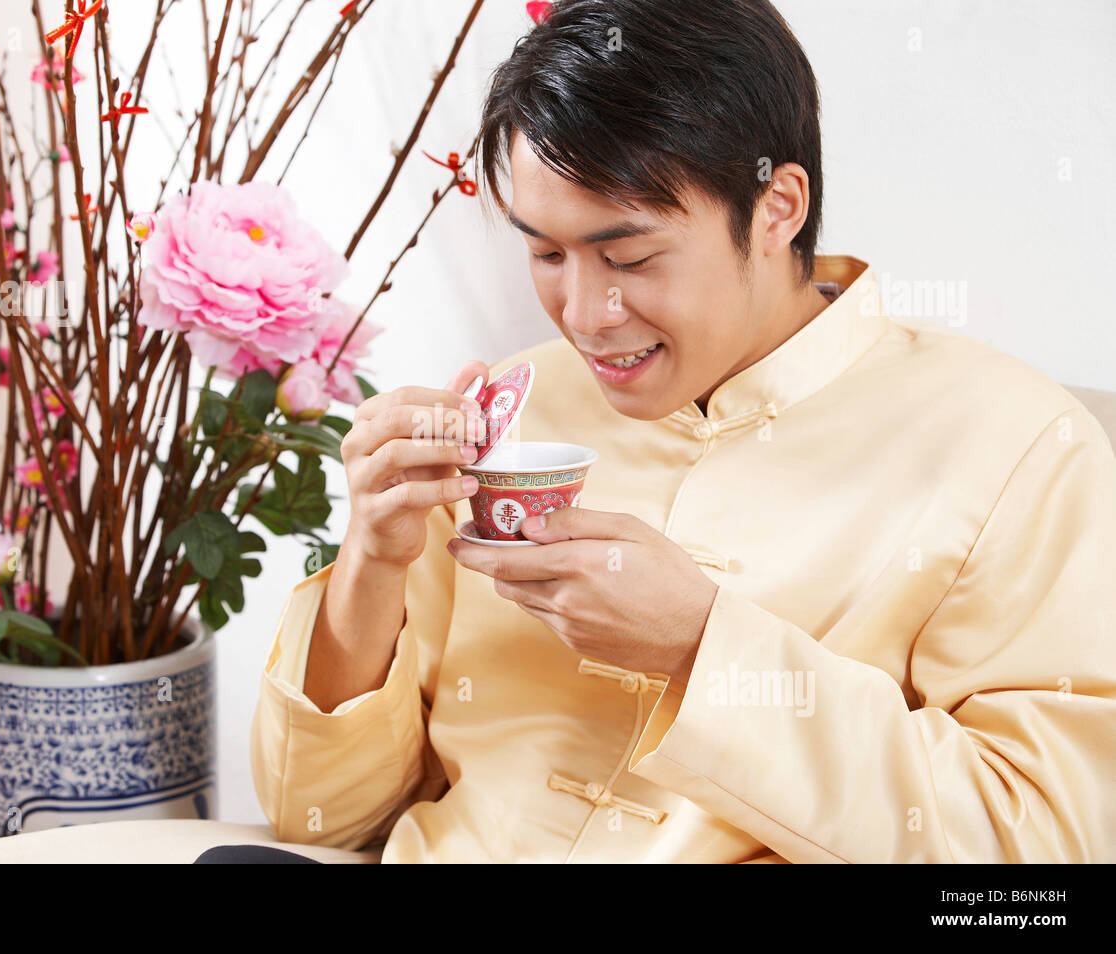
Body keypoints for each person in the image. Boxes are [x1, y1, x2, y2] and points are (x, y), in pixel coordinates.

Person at [242, 0, 1116, 864]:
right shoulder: (510, 417)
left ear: (777, 207)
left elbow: (1043, 848)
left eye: (629, 259)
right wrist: (372, 562)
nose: (584, 315)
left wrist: (704, 648)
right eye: (546, 253)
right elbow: (319, 821)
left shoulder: (1018, 448)